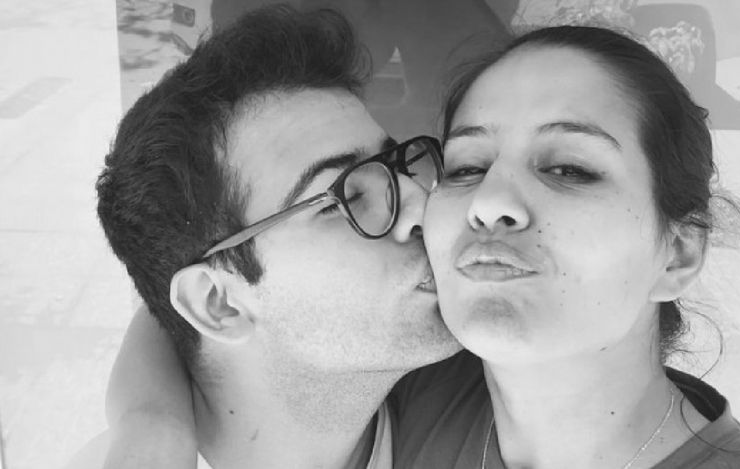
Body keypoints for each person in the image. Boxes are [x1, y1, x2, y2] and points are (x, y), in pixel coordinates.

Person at [79, 5, 461, 469]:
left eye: (398, 167)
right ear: (219, 303)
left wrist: (151, 419)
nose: (422, 205)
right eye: (345, 198)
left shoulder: (469, 396)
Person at [395, 25, 740, 468]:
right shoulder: (389, 403)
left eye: (569, 169)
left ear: (678, 254)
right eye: (466, 168)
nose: (488, 202)